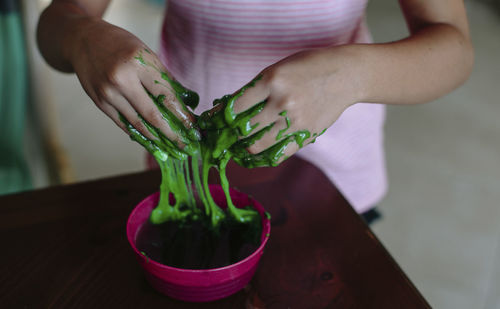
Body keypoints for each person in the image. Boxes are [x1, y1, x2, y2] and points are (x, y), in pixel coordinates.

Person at [37, 0, 473, 223]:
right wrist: (80, 36)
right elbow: (59, 19)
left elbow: (453, 47)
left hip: (331, 180)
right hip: (189, 174)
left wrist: (350, 76)